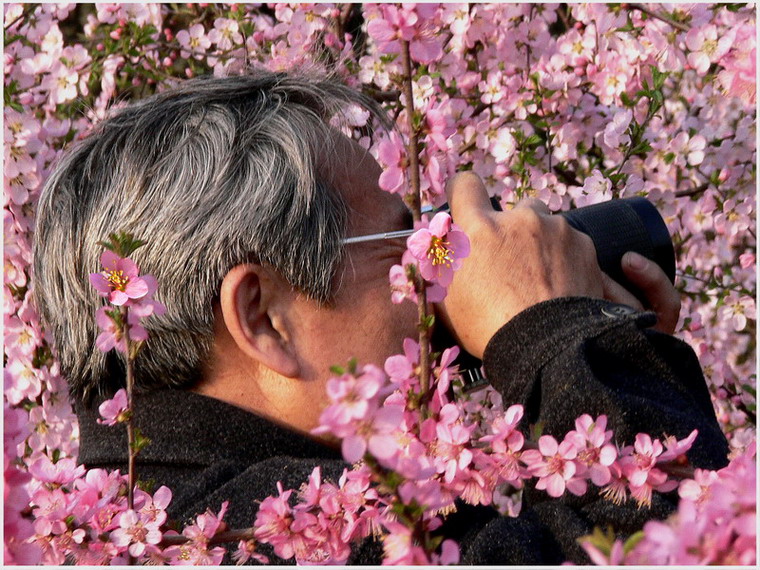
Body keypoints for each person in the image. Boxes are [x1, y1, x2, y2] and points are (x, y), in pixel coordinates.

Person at [33, 70, 728, 564]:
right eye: (410, 241)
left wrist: (599, 372)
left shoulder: (128, 531)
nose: (444, 264)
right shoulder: (296, 536)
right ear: (265, 315)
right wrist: (558, 330)